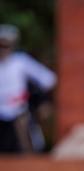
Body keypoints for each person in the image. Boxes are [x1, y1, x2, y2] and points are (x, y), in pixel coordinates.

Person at [0, 24, 57, 153]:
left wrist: (41, 101)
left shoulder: (20, 62)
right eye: (1, 46)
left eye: (6, 46)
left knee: (25, 148)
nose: (3, 49)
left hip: (18, 114)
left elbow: (48, 79)